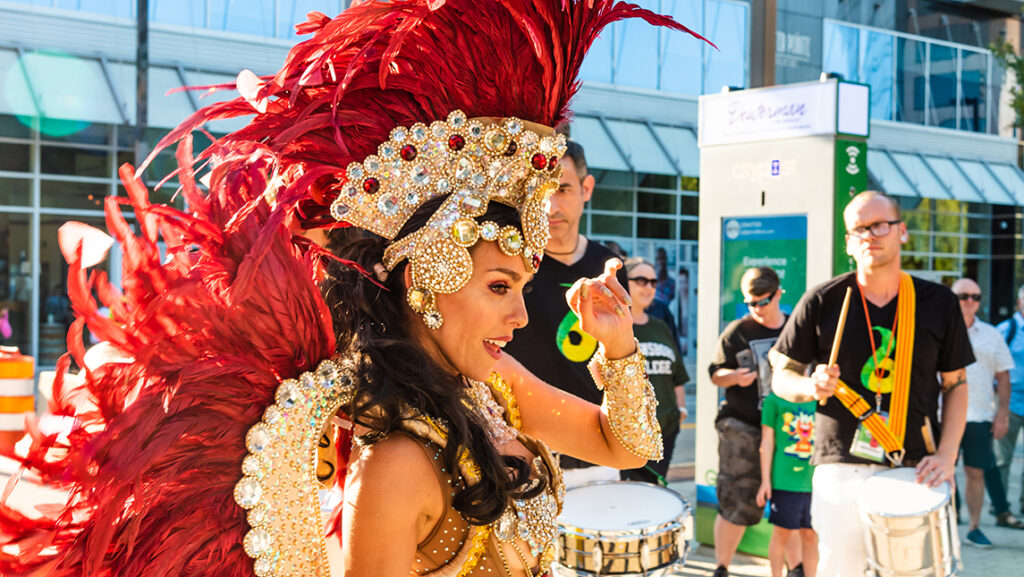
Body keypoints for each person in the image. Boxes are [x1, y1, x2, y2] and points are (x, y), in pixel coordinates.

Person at [0, 3, 708, 577]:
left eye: (521, 285)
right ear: (427, 273)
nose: (520, 314)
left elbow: (625, 445)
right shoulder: (397, 460)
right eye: (501, 285)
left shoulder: (490, 387)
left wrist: (618, 349)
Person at [770, 191, 973, 577]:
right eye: (859, 228)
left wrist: (947, 455)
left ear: (902, 232)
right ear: (848, 241)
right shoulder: (823, 300)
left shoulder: (937, 302)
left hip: (915, 463)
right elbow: (781, 376)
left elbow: (957, 384)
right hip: (840, 464)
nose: (870, 235)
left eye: (881, 225)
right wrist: (811, 387)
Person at [502, 140, 632, 487]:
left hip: (597, 452)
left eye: (562, 189)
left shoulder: (610, 268)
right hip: (522, 453)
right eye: (539, 191)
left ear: (586, 188)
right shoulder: (508, 265)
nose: (550, 205)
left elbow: (622, 364)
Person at [708, 266, 791, 577]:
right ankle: (721, 568)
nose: (757, 309)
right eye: (750, 303)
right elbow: (715, 373)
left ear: (779, 293)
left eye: (763, 302)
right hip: (742, 426)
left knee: (791, 503)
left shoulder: (793, 327)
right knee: (737, 498)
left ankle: (793, 569)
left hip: (785, 428)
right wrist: (736, 377)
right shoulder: (737, 331)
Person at [951, 277, 1024, 548]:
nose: (970, 301)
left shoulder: (992, 334)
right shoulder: (938, 330)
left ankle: (973, 527)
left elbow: (1004, 375)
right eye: (963, 296)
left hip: (979, 415)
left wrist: (1002, 413)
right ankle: (947, 524)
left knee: (976, 472)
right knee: (943, 471)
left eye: (976, 296)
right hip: (942, 415)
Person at [619, 257, 689, 485]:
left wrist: (680, 410)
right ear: (623, 283)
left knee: (653, 493)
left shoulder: (660, 326)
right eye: (641, 280)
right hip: (627, 432)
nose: (649, 287)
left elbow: (677, 374)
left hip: (665, 429)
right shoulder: (614, 326)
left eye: (653, 282)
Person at [756, 391, 818, 577]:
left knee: (810, 534)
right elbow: (766, 442)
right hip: (784, 481)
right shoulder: (773, 400)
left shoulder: (820, 399)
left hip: (814, 480)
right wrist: (765, 481)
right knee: (781, 532)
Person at [995, 283, 1024, 517]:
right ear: (1019, 303)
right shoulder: (1006, 330)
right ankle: (1001, 507)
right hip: (1011, 405)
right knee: (1003, 459)